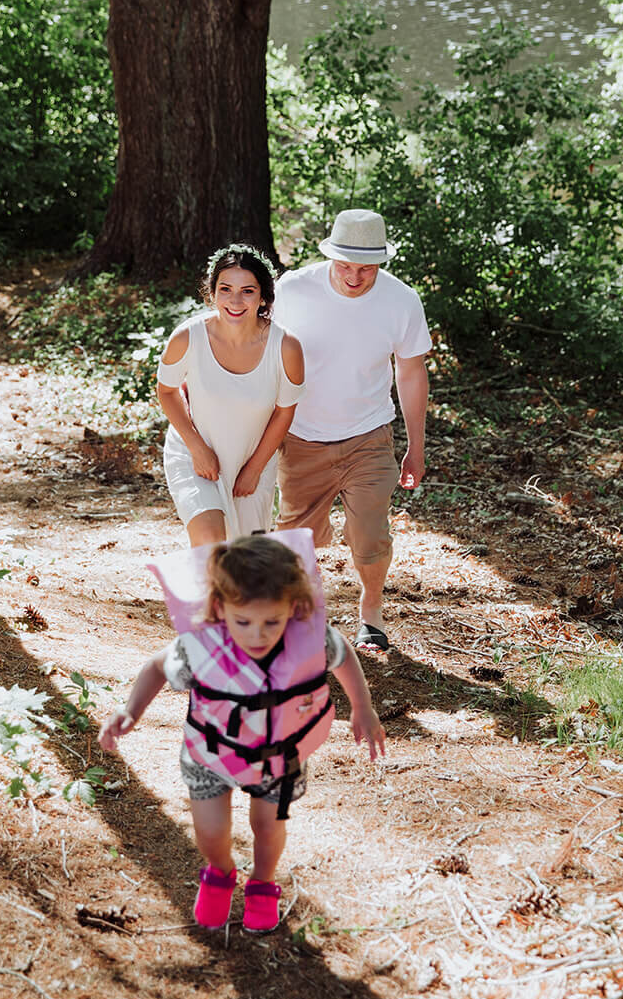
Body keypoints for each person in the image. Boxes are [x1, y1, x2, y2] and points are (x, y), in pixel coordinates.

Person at [99, 532, 385, 933]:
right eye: (243, 622)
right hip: (210, 755)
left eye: (272, 621)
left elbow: (343, 656)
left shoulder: (309, 638)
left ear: (294, 607)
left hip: (279, 753)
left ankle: (263, 884)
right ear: (220, 609)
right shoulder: (200, 646)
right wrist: (130, 711)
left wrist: (363, 707)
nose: (258, 634)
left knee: (267, 826)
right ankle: (220, 872)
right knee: (212, 832)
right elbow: (155, 667)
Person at [273, 209, 430, 653]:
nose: (355, 277)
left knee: (369, 533)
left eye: (366, 268)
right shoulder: (293, 290)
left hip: (368, 436)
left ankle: (372, 612)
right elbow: (263, 354)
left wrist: (416, 447)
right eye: (345, 266)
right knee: (295, 538)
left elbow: (411, 373)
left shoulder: (401, 300)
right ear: (329, 254)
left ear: (382, 261)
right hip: (301, 436)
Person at [157, 245, 304, 545]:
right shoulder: (188, 337)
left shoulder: (286, 347)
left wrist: (254, 469)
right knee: (211, 543)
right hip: (195, 454)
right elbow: (167, 390)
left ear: (263, 296)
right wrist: (197, 448)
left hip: (253, 459)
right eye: (225, 289)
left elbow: (284, 412)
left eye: (247, 291)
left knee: (242, 563)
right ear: (212, 292)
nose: (235, 300)